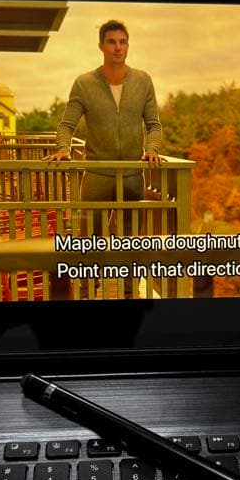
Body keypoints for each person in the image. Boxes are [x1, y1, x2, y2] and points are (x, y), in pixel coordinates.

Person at [46, 20, 162, 298]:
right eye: (111, 42)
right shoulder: (84, 83)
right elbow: (66, 125)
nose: (118, 47)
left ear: (128, 46)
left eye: (122, 42)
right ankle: (88, 292)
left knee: (131, 242)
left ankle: (129, 295)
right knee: (90, 242)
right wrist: (63, 148)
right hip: (96, 175)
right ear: (101, 46)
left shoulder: (143, 81)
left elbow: (154, 125)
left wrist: (152, 149)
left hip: (132, 176)